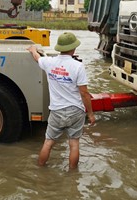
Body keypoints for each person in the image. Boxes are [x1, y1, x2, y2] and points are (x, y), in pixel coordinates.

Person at [27, 32, 95, 169]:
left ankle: (40, 170)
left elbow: (37, 57)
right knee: (74, 144)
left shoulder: (49, 62)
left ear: (59, 48)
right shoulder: (78, 66)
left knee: (48, 142)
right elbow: (84, 93)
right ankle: (72, 175)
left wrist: (33, 49)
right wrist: (91, 114)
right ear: (74, 48)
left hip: (56, 111)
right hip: (75, 111)